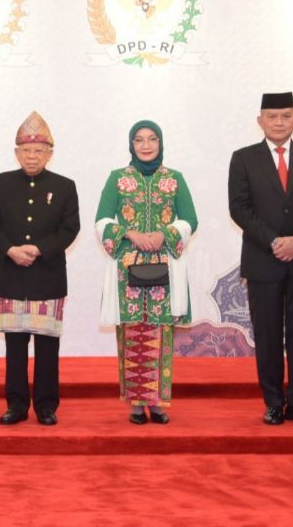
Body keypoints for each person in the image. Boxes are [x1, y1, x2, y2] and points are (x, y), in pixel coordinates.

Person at [228, 93, 293, 426]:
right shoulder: (243, 158)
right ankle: (273, 402)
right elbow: (239, 208)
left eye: (285, 116)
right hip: (263, 260)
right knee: (269, 334)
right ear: (260, 120)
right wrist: (274, 241)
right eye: (271, 116)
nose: (278, 122)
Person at [95, 120, 197, 425]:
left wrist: (166, 233)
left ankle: (159, 403)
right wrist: (130, 234)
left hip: (164, 266)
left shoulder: (174, 179)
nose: (146, 145)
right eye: (139, 140)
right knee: (132, 333)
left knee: (161, 333)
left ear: (161, 143)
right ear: (131, 145)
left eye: (152, 139)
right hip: (127, 269)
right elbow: (101, 220)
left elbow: (190, 218)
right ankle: (136, 405)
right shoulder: (118, 179)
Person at [0, 112, 79, 426]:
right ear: (16, 153)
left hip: (47, 276)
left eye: (39, 151)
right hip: (11, 275)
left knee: (48, 348)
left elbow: (70, 229)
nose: (32, 156)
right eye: (26, 151)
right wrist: (10, 250)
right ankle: (16, 406)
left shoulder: (65, 186)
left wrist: (39, 249)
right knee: (15, 347)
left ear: (50, 153)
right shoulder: (0, 183)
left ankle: (47, 406)